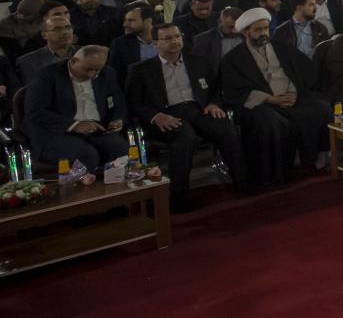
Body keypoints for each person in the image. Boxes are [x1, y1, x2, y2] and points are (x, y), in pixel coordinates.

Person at [125, 22, 249, 209]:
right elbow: (134, 102)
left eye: (177, 36)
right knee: (185, 137)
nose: (174, 41)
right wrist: (156, 116)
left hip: (198, 109)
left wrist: (215, 102)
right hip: (166, 113)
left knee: (225, 128)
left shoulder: (198, 61)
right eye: (167, 38)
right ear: (155, 43)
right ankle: (178, 197)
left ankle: (243, 182)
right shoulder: (141, 70)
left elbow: (215, 88)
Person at [219, 7, 330, 174]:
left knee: (321, 107)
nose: (264, 33)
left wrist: (293, 92)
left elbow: (301, 72)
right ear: (245, 32)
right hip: (262, 104)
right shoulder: (233, 59)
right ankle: (279, 170)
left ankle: (320, 158)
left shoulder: (282, 47)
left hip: (292, 97)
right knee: (270, 122)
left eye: (265, 28)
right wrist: (270, 99)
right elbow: (234, 90)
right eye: (258, 30)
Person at [24, 46, 128, 177]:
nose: (93, 74)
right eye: (88, 69)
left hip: (95, 128)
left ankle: (114, 190)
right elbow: (35, 111)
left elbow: (118, 102)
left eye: (97, 70)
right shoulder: (47, 75)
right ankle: (80, 191)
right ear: (73, 61)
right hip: (56, 132)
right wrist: (74, 125)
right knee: (86, 155)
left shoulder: (107, 73)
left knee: (119, 148)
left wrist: (117, 119)